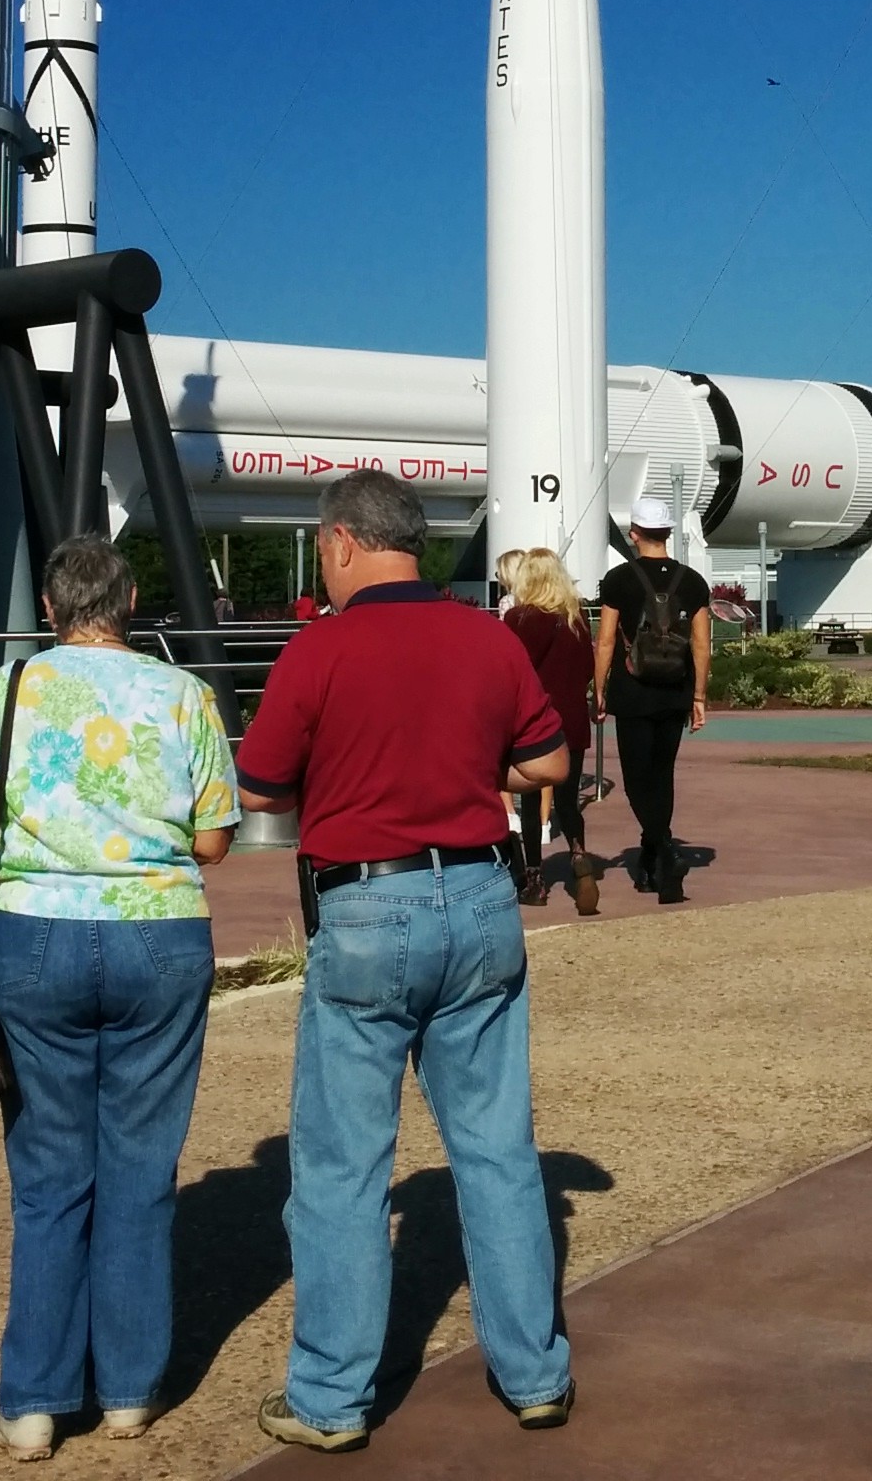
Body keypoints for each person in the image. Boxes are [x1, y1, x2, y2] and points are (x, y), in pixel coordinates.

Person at [236, 471, 577, 1451]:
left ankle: (331, 1397)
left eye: (322, 551)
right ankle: (535, 1374)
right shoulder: (487, 637)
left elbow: (260, 787)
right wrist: (468, 766)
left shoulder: (319, 648)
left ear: (343, 543)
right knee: (498, 1150)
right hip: (479, 897)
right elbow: (550, 762)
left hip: (366, 905)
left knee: (345, 1166)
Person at [0, 534, 240, 1461]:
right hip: (159, 933)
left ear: (49, 606)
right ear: (131, 603)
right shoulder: (184, 694)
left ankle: (35, 1401)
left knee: (48, 1172)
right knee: (141, 1168)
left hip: (36, 932)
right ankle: (128, 1390)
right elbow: (214, 841)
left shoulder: (13, 688)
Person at [592, 494, 711, 904]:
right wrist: (699, 696)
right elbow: (701, 644)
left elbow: (606, 640)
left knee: (636, 779)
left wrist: (599, 688)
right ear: (668, 533)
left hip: (633, 691)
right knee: (662, 775)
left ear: (634, 534)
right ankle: (654, 859)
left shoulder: (618, 580)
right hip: (675, 689)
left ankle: (664, 849)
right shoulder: (692, 581)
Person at [499, 546, 601, 915]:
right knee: (568, 799)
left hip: (534, 721)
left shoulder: (519, 619)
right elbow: (587, 669)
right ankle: (579, 857)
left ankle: (535, 880)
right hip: (571, 719)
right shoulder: (576, 618)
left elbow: (510, 671)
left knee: (530, 802)